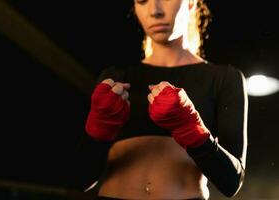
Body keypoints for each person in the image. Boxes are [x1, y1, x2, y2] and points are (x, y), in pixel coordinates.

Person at [76, 0, 248, 199]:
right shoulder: (116, 78)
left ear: (191, 3)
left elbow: (231, 183)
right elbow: (79, 180)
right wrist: (99, 129)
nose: (155, 11)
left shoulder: (224, 78)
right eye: (142, 0)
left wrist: (193, 131)